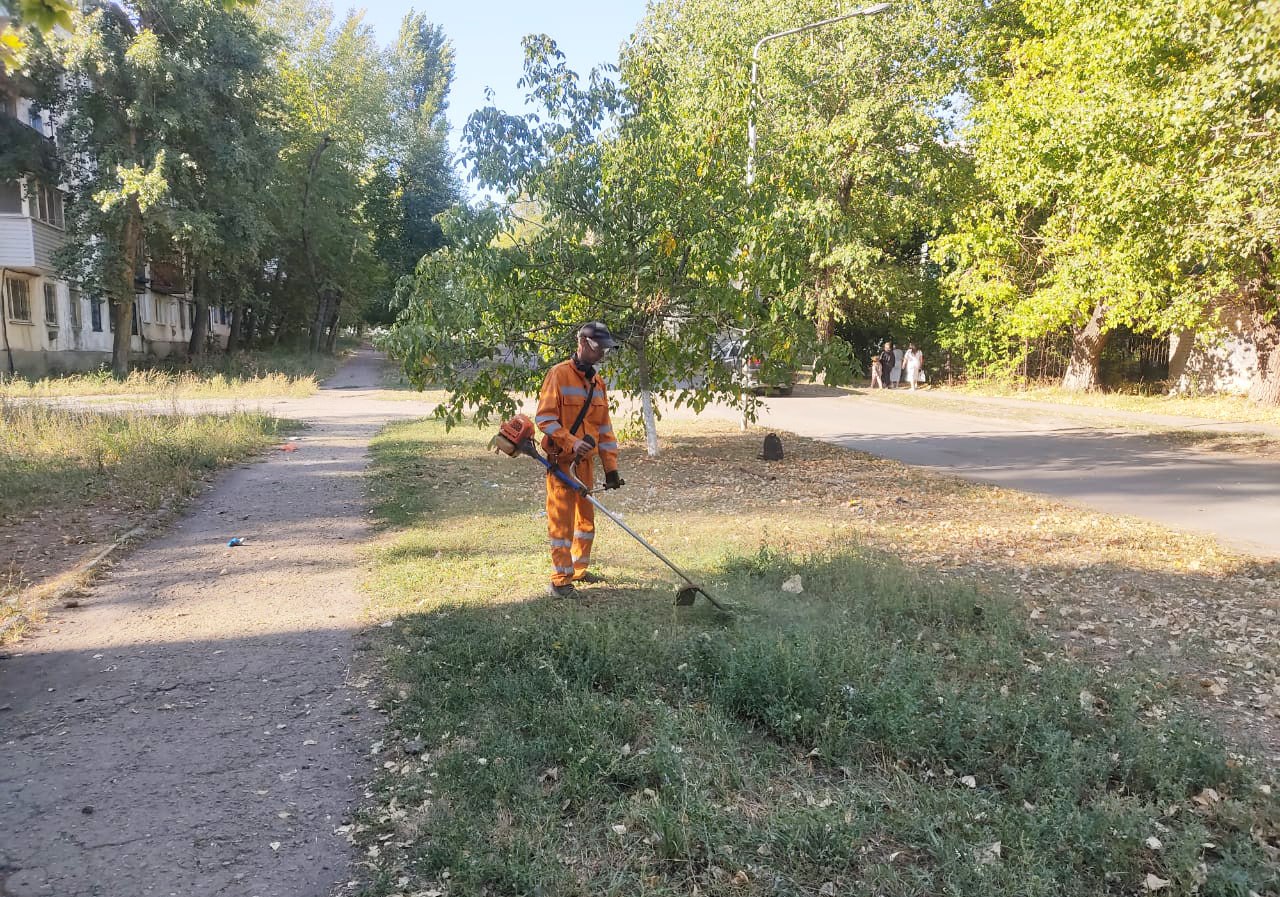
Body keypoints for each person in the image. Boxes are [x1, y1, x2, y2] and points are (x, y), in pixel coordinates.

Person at [535, 321, 624, 599]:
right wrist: (573, 442)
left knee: (586, 521)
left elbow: (605, 429)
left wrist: (611, 468)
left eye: (605, 350)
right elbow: (544, 419)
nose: (602, 355)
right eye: (599, 349)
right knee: (562, 525)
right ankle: (560, 580)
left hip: (585, 466)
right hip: (562, 463)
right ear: (582, 344)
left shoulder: (598, 384)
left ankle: (579, 569)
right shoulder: (558, 375)